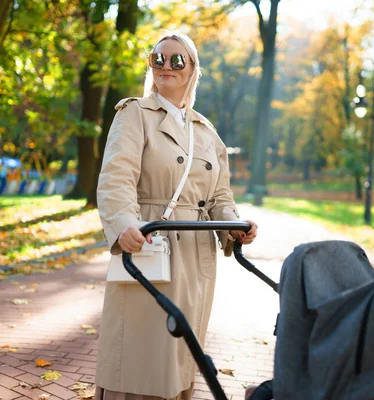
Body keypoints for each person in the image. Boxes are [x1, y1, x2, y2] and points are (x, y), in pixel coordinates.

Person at [95, 32, 258, 400]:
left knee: (182, 354)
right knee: (141, 356)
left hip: (197, 258)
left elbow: (220, 195)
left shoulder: (207, 132)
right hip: (149, 244)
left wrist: (235, 226)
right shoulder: (135, 113)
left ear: (192, 70)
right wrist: (125, 224)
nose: (166, 66)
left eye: (176, 60)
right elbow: (116, 178)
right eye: (158, 58)